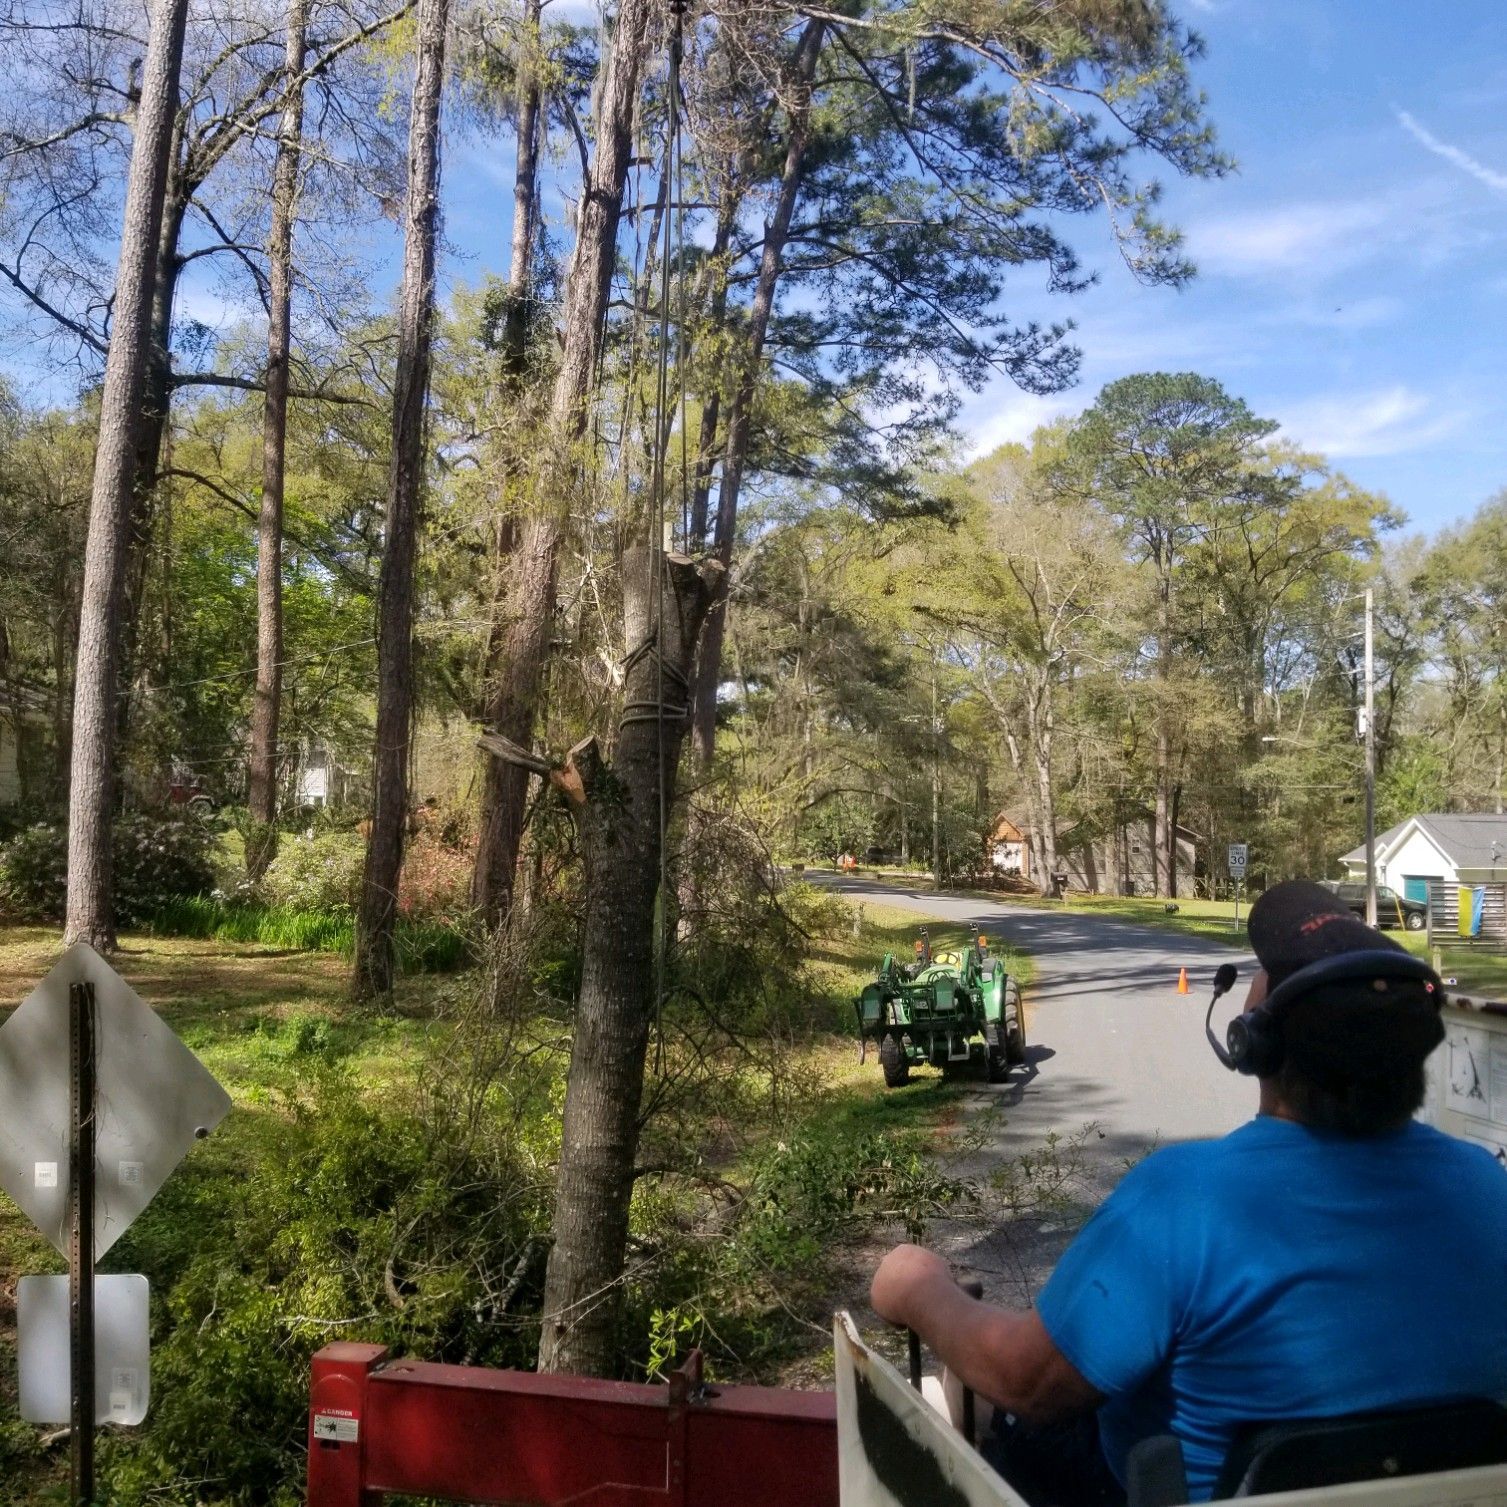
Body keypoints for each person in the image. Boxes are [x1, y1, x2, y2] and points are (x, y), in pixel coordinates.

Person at [870, 879, 1507, 1505]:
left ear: (1255, 1041)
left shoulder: (1184, 1199)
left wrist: (919, 1286)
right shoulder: (1489, 1190)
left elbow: (1027, 1379)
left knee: (1021, 1426)